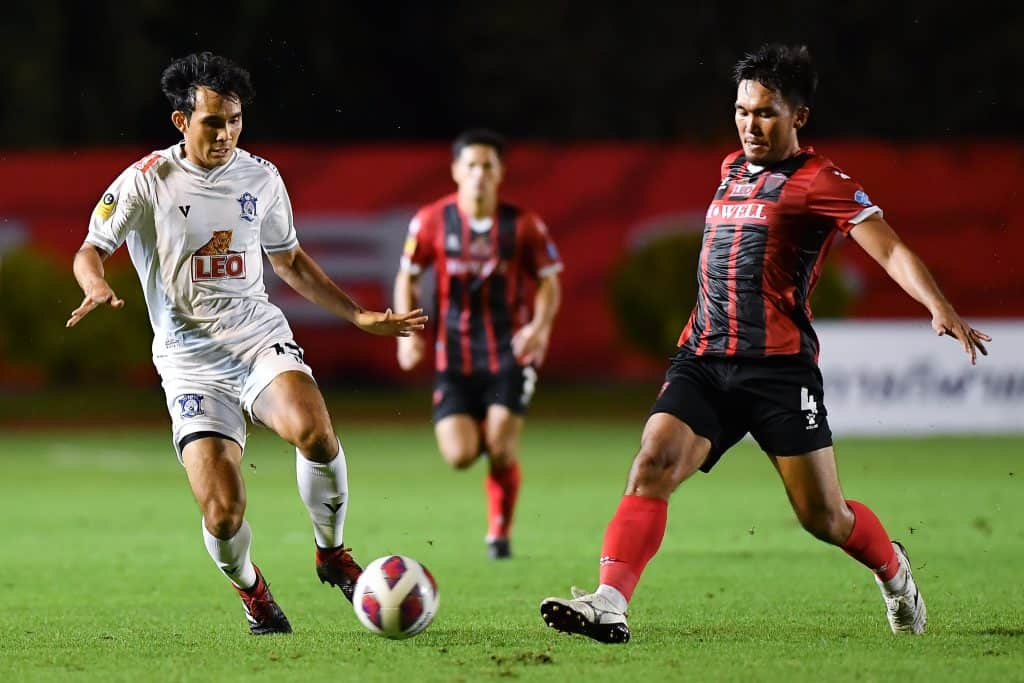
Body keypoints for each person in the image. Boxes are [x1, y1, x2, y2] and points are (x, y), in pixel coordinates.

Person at [539, 44, 990, 643]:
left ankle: (894, 571)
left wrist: (938, 306)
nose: (750, 125)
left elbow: (889, 248)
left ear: (798, 116)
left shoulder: (820, 181)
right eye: (742, 111)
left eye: (765, 113)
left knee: (824, 517)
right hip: (704, 359)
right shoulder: (732, 168)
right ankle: (610, 602)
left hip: (778, 372)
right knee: (652, 464)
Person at [67, 52, 426, 636]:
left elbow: (289, 260)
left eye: (235, 120)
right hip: (189, 365)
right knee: (223, 512)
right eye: (213, 122)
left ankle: (331, 552)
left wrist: (358, 314)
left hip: (257, 338)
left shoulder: (261, 177)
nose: (226, 133)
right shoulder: (146, 180)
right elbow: (90, 248)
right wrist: (95, 283)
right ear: (182, 121)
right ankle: (252, 590)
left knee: (314, 431)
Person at [393, 130, 562, 559]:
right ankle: (491, 432)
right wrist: (408, 334)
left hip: (509, 353)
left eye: (488, 166)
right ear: (456, 171)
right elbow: (407, 277)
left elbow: (549, 281)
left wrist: (539, 328)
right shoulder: (432, 220)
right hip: (453, 358)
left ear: (501, 172)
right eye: (471, 165)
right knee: (460, 455)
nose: (479, 174)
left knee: (502, 447)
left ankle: (499, 533)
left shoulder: (523, 224)